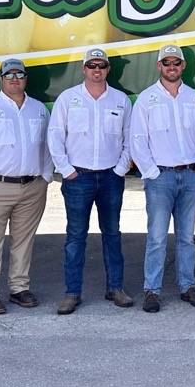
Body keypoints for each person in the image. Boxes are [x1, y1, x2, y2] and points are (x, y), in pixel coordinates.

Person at [48, 47, 134, 315]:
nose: (97, 70)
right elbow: (55, 136)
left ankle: (116, 288)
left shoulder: (120, 100)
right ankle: (72, 293)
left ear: (108, 69)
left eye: (102, 66)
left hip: (111, 177)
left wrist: (120, 169)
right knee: (75, 237)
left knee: (112, 234)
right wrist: (66, 169)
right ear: (84, 69)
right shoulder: (68, 99)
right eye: (92, 66)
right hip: (78, 178)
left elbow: (130, 139)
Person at [0, 58, 53, 315]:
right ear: (1, 79)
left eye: (19, 75)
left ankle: (19, 288)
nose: (15, 79)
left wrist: (46, 177)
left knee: (23, 241)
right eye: (9, 75)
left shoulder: (38, 109)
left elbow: (47, 146)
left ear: (26, 78)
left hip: (32, 187)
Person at [131, 44, 195, 313]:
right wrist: (152, 173)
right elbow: (138, 140)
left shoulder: (194, 99)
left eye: (177, 62)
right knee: (156, 237)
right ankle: (152, 290)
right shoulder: (146, 99)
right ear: (159, 66)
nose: (172, 66)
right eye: (167, 63)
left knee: (187, 237)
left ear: (183, 66)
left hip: (189, 177)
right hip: (160, 178)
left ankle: (188, 286)